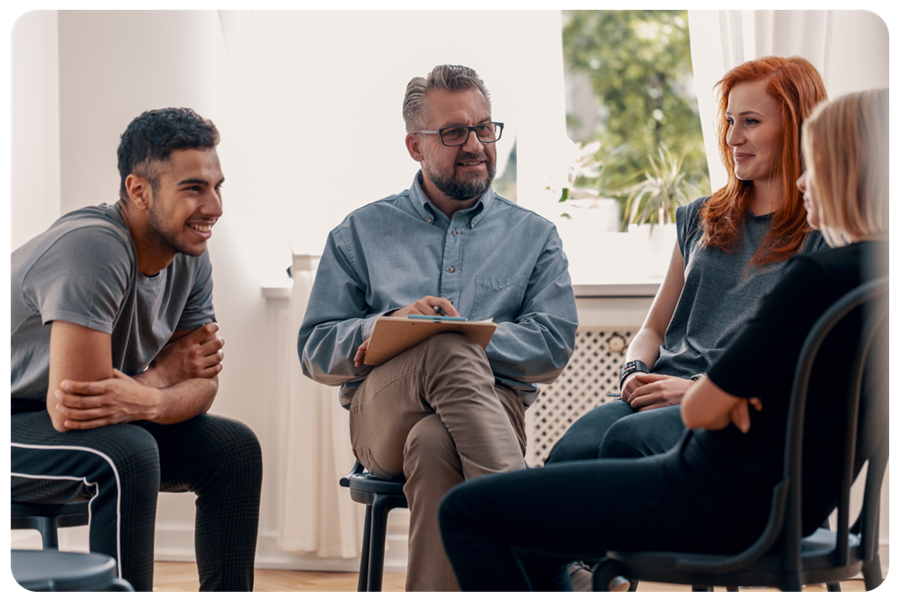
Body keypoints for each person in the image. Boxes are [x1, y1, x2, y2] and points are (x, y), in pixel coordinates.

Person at [438, 87, 890, 592]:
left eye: (819, 164)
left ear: (854, 173)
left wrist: (715, 393)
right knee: (535, 524)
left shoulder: (817, 278)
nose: (805, 180)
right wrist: (735, 394)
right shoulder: (873, 282)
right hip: (789, 508)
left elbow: (699, 412)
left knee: (465, 510)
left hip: (710, 496)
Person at [297, 64, 578, 592]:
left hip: (495, 413)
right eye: (454, 132)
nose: (475, 144)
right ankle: (545, 557)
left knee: (434, 442)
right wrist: (393, 327)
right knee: (446, 347)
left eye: (485, 128)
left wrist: (468, 335)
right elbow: (314, 349)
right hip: (383, 415)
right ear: (415, 145)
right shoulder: (359, 232)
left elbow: (552, 346)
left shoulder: (534, 236)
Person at [10, 108, 262, 592]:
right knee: (126, 452)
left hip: (62, 420)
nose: (214, 206)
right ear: (139, 191)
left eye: (217, 186)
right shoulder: (94, 247)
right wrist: (163, 378)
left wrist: (151, 396)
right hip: (22, 419)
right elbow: (77, 411)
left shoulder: (190, 255)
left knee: (234, 450)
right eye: (194, 188)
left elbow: (203, 382)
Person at [546, 56, 830, 465]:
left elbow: (799, 365)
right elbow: (653, 328)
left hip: (730, 405)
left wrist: (699, 390)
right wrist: (632, 373)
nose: (733, 138)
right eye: (730, 121)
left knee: (628, 443)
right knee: (569, 453)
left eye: (750, 121)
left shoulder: (820, 236)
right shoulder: (702, 216)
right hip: (656, 389)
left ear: (798, 127)